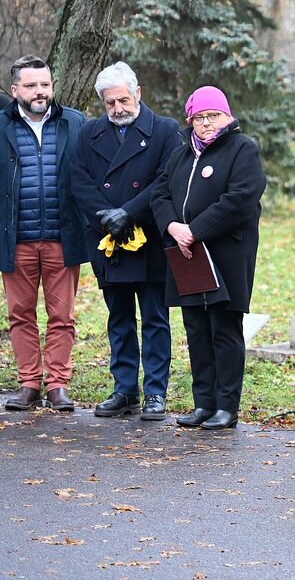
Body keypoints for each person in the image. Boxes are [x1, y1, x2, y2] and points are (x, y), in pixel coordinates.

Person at [150, 86, 266, 430]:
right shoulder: (181, 154)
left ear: (227, 116)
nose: (206, 123)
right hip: (187, 254)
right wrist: (173, 226)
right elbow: (159, 194)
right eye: (198, 118)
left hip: (226, 253)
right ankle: (203, 403)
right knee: (196, 328)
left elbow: (241, 198)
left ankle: (226, 407)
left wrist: (195, 230)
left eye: (213, 115)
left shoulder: (242, 149)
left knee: (224, 328)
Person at [71, 62, 181, 421]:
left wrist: (128, 213)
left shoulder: (165, 130)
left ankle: (155, 392)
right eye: (110, 103)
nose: (118, 109)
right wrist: (107, 217)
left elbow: (167, 179)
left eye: (123, 100)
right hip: (108, 239)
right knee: (118, 318)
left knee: (154, 318)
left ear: (138, 94)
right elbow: (79, 180)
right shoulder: (90, 133)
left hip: (149, 238)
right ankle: (125, 389)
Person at [1, 55, 88, 412]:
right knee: (20, 315)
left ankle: (57, 385)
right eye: (31, 85)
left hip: (61, 236)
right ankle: (28, 384)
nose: (40, 91)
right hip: (15, 238)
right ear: (15, 90)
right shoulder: (1, 125)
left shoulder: (75, 122)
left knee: (62, 317)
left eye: (45, 84)